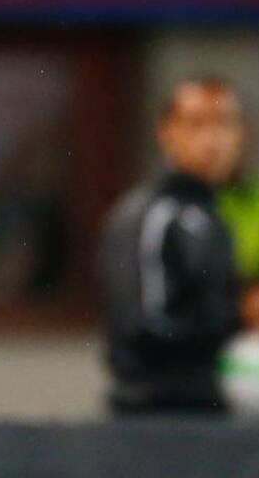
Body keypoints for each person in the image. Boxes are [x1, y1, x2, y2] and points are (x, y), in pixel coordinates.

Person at [100, 79, 242, 414]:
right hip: (154, 419)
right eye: (197, 124)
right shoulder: (148, 214)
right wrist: (240, 319)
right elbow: (141, 326)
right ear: (167, 132)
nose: (214, 139)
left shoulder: (214, 215)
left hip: (207, 414)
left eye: (225, 123)